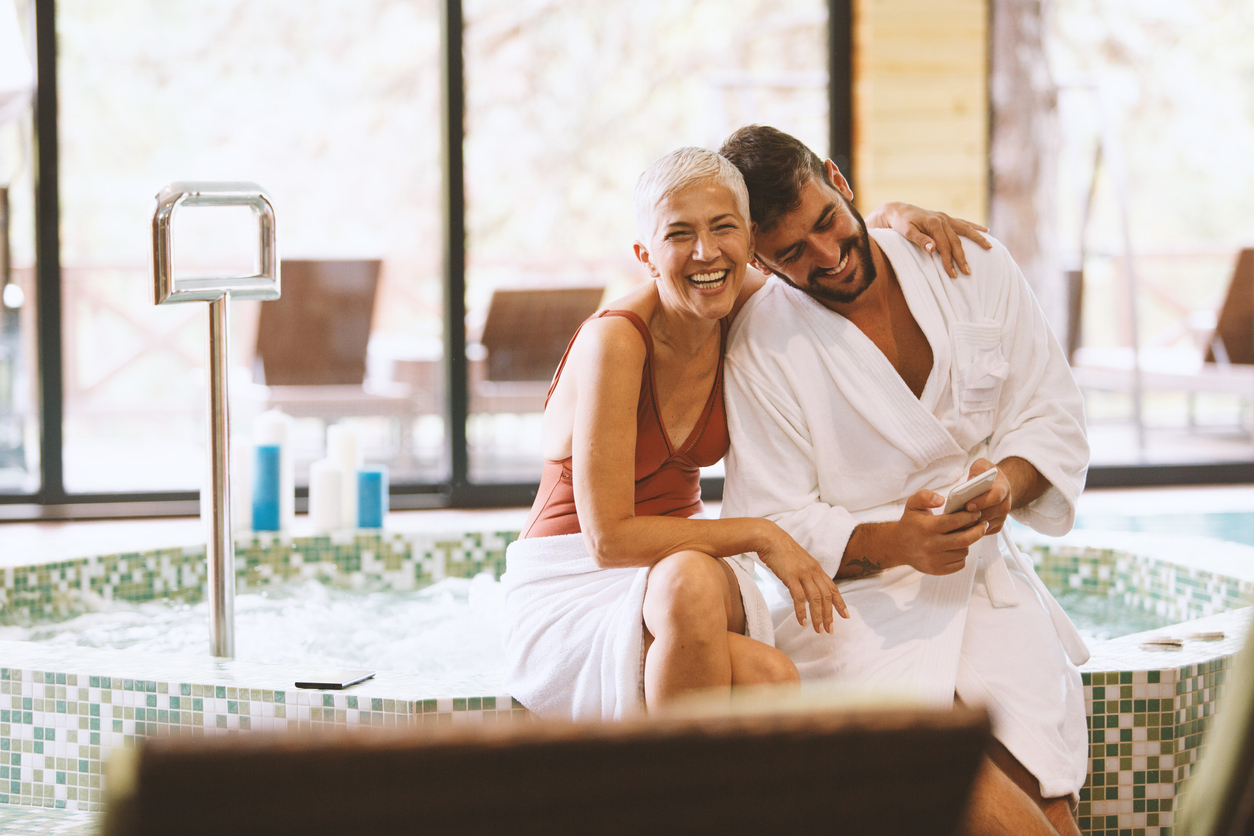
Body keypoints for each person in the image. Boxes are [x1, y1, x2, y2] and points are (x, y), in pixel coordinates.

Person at [501, 146, 986, 722]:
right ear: (646, 255)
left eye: (722, 228)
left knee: (762, 663)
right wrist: (763, 534)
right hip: (579, 582)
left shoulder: (738, 304)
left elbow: (817, 258)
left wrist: (890, 217)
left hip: (685, 579)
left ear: (748, 247)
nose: (705, 252)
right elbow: (606, 541)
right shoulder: (617, 340)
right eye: (679, 235)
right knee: (754, 659)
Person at [717, 125, 1090, 836]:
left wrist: (1006, 484)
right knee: (946, 759)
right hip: (854, 609)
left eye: (827, 221)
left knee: (1041, 785)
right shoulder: (762, 344)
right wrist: (898, 543)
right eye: (792, 253)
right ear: (761, 260)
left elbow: (1055, 416)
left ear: (839, 180)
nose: (827, 255)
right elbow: (775, 520)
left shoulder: (967, 265)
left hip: (984, 583)